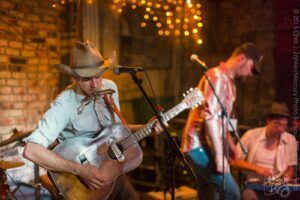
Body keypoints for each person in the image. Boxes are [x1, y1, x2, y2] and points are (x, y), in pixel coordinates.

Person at [22, 41, 164, 200]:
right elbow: (31, 150)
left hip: (114, 172)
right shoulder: (64, 104)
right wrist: (80, 170)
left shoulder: (110, 88)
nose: (95, 84)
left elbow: (118, 131)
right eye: (87, 79)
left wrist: (146, 127)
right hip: (83, 185)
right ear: (74, 77)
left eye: (98, 76)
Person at [181, 42, 263, 200]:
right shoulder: (217, 76)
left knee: (210, 196)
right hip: (198, 145)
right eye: (252, 68)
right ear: (241, 58)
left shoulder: (230, 83)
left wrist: (231, 147)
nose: (251, 74)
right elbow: (211, 118)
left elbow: (222, 121)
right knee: (232, 193)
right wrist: (220, 158)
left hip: (205, 146)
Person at [231, 102, 297, 200]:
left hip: (278, 187)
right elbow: (234, 160)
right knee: (248, 196)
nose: (281, 129)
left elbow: (290, 167)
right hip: (255, 186)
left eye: (284, 125)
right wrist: (258, 169)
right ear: (268, 120)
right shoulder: (251, 135)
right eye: (277, 124)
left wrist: (287, 176)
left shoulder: (290, 139)